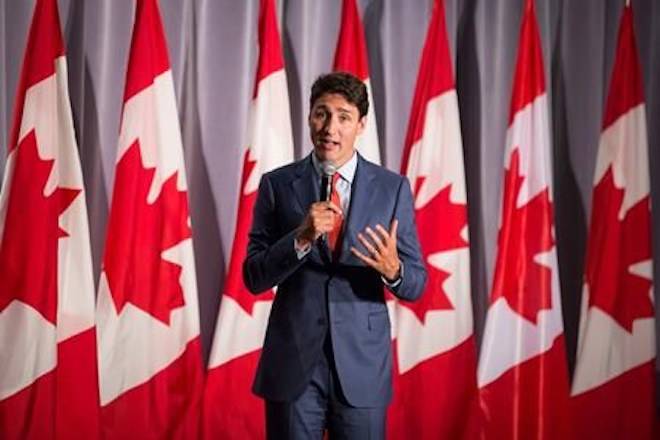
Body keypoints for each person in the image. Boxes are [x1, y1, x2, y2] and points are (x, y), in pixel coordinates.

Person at [243, 71, 427, 439]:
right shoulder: (277, 185)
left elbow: (417, 283)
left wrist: (394, 271)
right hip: (294, 363)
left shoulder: (392, 188)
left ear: (360, 125)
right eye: (321, 114)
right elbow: (253, 276)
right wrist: (301, 237)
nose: (330, 127)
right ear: (310, 117)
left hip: (362, 364)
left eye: (343, 116)